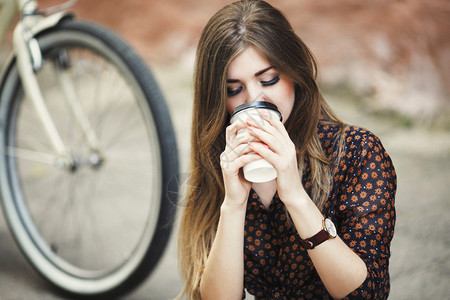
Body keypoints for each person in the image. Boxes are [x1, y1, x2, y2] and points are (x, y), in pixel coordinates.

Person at [178, 0, 396, 299]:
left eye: (268, 79)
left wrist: (294, 196)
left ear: (294, 72)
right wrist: (233, 205)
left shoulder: (357, 152)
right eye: (234, 89)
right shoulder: (222, 164)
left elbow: (368, 294)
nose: (255, 98)